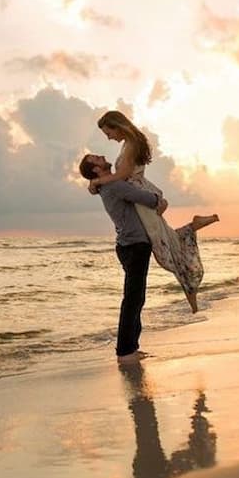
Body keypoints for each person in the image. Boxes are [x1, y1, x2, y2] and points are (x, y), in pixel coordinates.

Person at [89, 110, 219, 314]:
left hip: (141, 199)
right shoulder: (131, 143)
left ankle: (191, 290)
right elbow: (122, 178)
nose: (109, 137)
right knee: (168, 240)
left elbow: (122, 175)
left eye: (108, 132)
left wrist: (97, 181)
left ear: (117, 126)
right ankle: (193, 229)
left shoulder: (130, 145)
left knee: (166, 249)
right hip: (141, 193)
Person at [78, 152, 161, 363]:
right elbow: (147, 199)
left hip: (129, 245)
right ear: (96, 170)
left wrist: (94, 183)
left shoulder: (107, 184)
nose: (102, 156)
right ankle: (125, 351)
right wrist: (159, 199)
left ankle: (131, 347)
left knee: (136, 298)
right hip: (134, 245)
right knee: (133, 299)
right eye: (96, 158)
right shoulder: (114, 186)